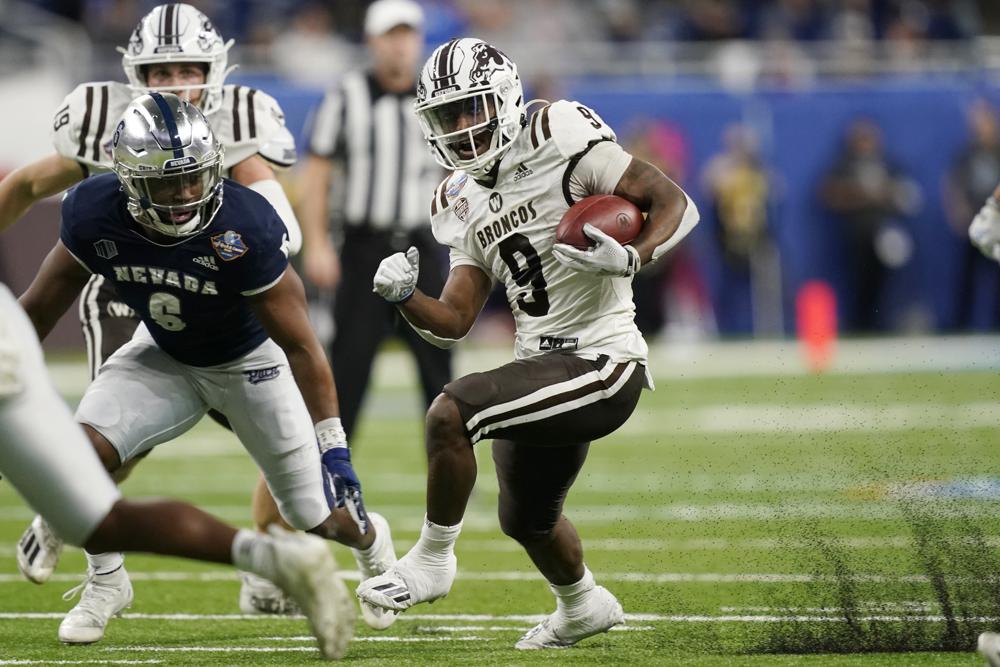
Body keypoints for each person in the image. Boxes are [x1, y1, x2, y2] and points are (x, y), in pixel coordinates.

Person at [356, 38, 699, 649]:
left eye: (472, 108)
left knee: (452, 412)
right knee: (526, 517)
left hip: (603, 360)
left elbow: (674, 202)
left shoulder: (557, 133)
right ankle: (583, 604)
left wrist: (634, 257)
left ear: (506, 98)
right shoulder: (457, 198)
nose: (462, 129)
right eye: (446, 116)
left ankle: (432, 559)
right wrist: (405, 296)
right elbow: (455, 318)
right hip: (543, 362)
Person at [17, 92, 396, 644]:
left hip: (251, 363)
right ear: (129, 181)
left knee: (316, 515)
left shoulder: (244, 225)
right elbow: (37, 310)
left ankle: (373, 544)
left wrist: (334, 449)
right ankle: (106, 582)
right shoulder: (94, 211)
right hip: (164, 353)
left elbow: (302, 346)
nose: (185, 195)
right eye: (168, 183)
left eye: (193, 177)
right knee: (82, 455)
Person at [0, 3, 314, 617]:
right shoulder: (105, 117)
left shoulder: (240, 116)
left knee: (292, 437)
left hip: (216, 293)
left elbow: (279, 224)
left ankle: (269, 564)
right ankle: (89, 548)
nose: (174, 85)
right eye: (160, 73)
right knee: (115, 434)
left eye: (187, 70)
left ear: (214, 68)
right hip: (125, 283)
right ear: (135, 75)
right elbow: (28, 185)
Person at [0, 283, 352, 660]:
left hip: (212, 317)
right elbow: (46, 293)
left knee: (96, 502)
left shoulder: (247, 245)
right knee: (100, 460)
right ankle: (106, 576)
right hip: (126, 293)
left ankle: (274, 559)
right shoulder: (96, 241)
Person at [299, 0, 451, 443]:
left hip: (423, 246)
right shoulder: (346, 95)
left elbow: (457, 172)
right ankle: (334, 465)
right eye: (390, 35)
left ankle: (450, 463)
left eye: (407, 34)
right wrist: (317, 243)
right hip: (364, 247)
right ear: (372, 41)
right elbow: (317, 172)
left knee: (437, 368)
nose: (400, 45)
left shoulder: (439, 97)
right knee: (349, 365)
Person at [818, 118, 921, 332]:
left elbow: (906, 194)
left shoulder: (887, 163)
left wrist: (885, 193)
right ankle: (859, 324)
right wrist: (864, 195)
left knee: (883, 281)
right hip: (856, 235)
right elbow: (830, 194)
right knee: (858, 281)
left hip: (884, 233)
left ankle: (879, 323)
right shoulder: (844, 165)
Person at [945, 100, 1000, 329]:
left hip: (995, 220)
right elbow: (954, 184)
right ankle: (961, 323)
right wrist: (959, 210)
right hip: (975, 218)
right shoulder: (968, 153)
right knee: (967, 274)